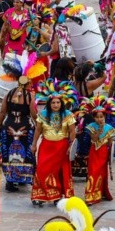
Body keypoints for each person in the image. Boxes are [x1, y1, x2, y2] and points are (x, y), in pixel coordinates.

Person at [31, 78, 77, 207]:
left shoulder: (68, 115)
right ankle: (39, 195)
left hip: (62, 148)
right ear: (49, 103)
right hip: (46, 147)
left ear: (61, 103)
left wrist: (71, 146)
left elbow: (72, 131)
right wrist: (34, 144)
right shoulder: (43, 114)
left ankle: (57, 195)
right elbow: (38, 130)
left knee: (58, 171)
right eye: (53, 102)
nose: (56, 105)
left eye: (58, 102)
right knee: (42, 169)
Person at [0, 55, 39, 192]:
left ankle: (10, 181)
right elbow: (34, 114)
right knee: (24, 153)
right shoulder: (30, 96)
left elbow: (2, 112)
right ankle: (23, 178)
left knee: (9, 153)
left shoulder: (9, 94)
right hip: (24, 128)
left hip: (8, 127)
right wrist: (39, 125)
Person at [81, 96, 115, 205]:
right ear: (94, 117)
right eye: (97, 117)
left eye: (101, 117)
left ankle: (100, 192)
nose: (99, 119)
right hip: (94, 152)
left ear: (105, 116)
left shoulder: (109, 128)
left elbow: (110, 142)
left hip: (103, 152)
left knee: (102, 173)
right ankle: (90, 195)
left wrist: (109, 155)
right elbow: (94, 139)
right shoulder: (91, 127)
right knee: (93, 172)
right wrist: (100, 130)